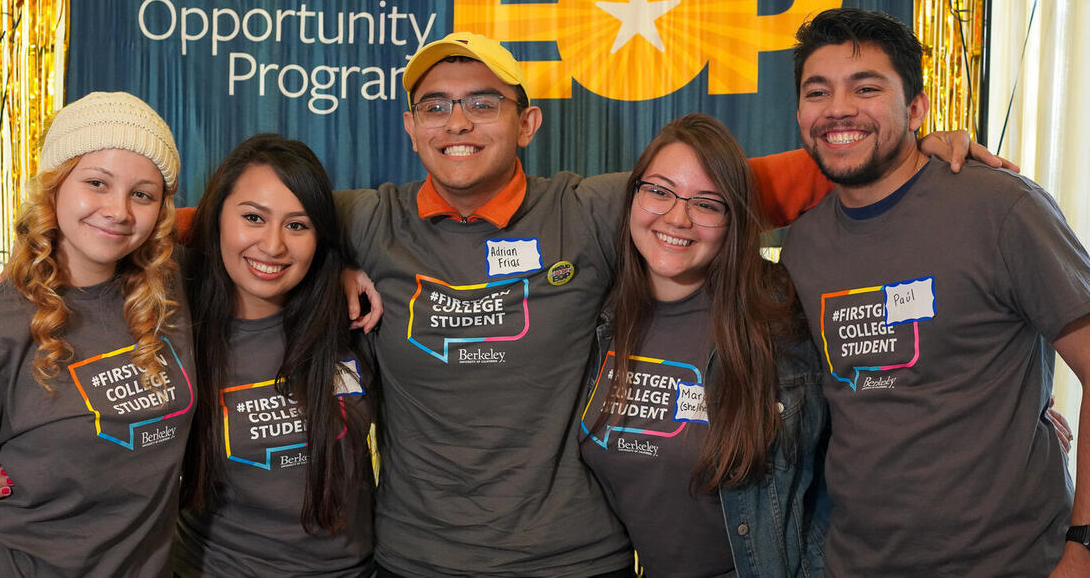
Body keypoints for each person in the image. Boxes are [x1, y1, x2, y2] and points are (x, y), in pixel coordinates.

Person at [335, 31, 994, 576]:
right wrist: (328, 269)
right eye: (435, 105)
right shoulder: (366, 220)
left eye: (482, 102)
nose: (457, 121)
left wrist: (914, 152)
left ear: (527, 121)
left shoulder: (588, 209)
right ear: (411, 126)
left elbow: (747, 184)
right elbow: (262, 227)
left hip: (573, 559)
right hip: (415, 559)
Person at [780, 7, 1090, 576]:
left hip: (1014, 561)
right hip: (854, 561)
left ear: (917, 107)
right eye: (817, 92)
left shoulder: (1000, 208)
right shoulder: (802, 246)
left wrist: (1085, 547)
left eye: (866, 87)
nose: (839, 109)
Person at [0, 92, 193, 576]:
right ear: (54, 187)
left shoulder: (173, 290)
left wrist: (339, 267)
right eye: (97, 183)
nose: (119, 210)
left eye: (142, 194)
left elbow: (261, 224)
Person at [580, 114, 828, 577]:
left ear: (734, 219)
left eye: (707, 204)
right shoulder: (600, 316)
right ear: (632, 195)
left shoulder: (780, 322)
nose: (678, 217)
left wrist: (921, 157)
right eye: (659, 190)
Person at [173, 134, 374, 576]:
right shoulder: (173, 314)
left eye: (297, 225)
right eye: (252, 217)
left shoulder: (353, 315)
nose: (273, 246)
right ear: (217, 218)